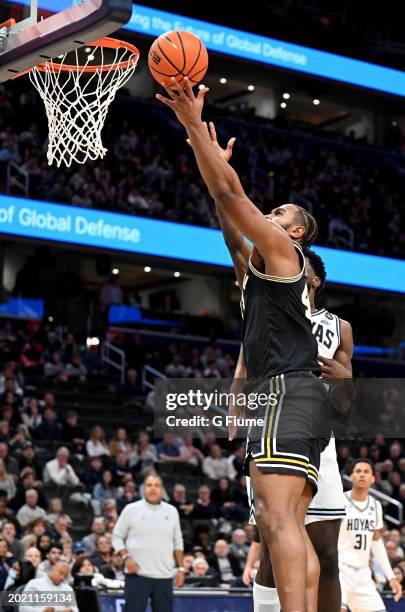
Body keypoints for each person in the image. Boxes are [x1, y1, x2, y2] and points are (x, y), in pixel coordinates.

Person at [157, 77, 328, 611]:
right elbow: (229, 217)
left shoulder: (282, 252)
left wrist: (192, 124)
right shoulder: (257, 274)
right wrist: (207, 156)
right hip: (291, 396)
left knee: (277, 521)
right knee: (289, 524)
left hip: (285, 392)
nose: (270, 218)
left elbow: (234, 197)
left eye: (279, 215)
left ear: (295, 234)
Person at [242, 250, 354, 612]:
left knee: (327, 552)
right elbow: (246, 360)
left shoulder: (339, 327)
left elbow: (346, 402)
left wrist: (346, 383)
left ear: (316, 279)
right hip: (276, 418)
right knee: (273, 548)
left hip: (320, 435)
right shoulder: (269, 305)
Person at [112, 473, 185, 612]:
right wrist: (126, 557)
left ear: (162, 490)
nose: (153, 489)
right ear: (143, 489)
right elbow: (116, 537)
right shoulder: (130, 509)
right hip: (137, 575)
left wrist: (181, 569)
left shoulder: (172, 511)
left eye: (157, 485)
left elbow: (178, 542)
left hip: (164, 576)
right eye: (149, 485)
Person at [338, 459, 402, 612]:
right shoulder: (339, 501)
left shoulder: (376, 505)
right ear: (351, 476)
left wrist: (391, 577)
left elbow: (376, 543)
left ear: (373, 478)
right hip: (340, 570)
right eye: (358, 471)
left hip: (363, 574)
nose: (361, 475)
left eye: (366, 472)